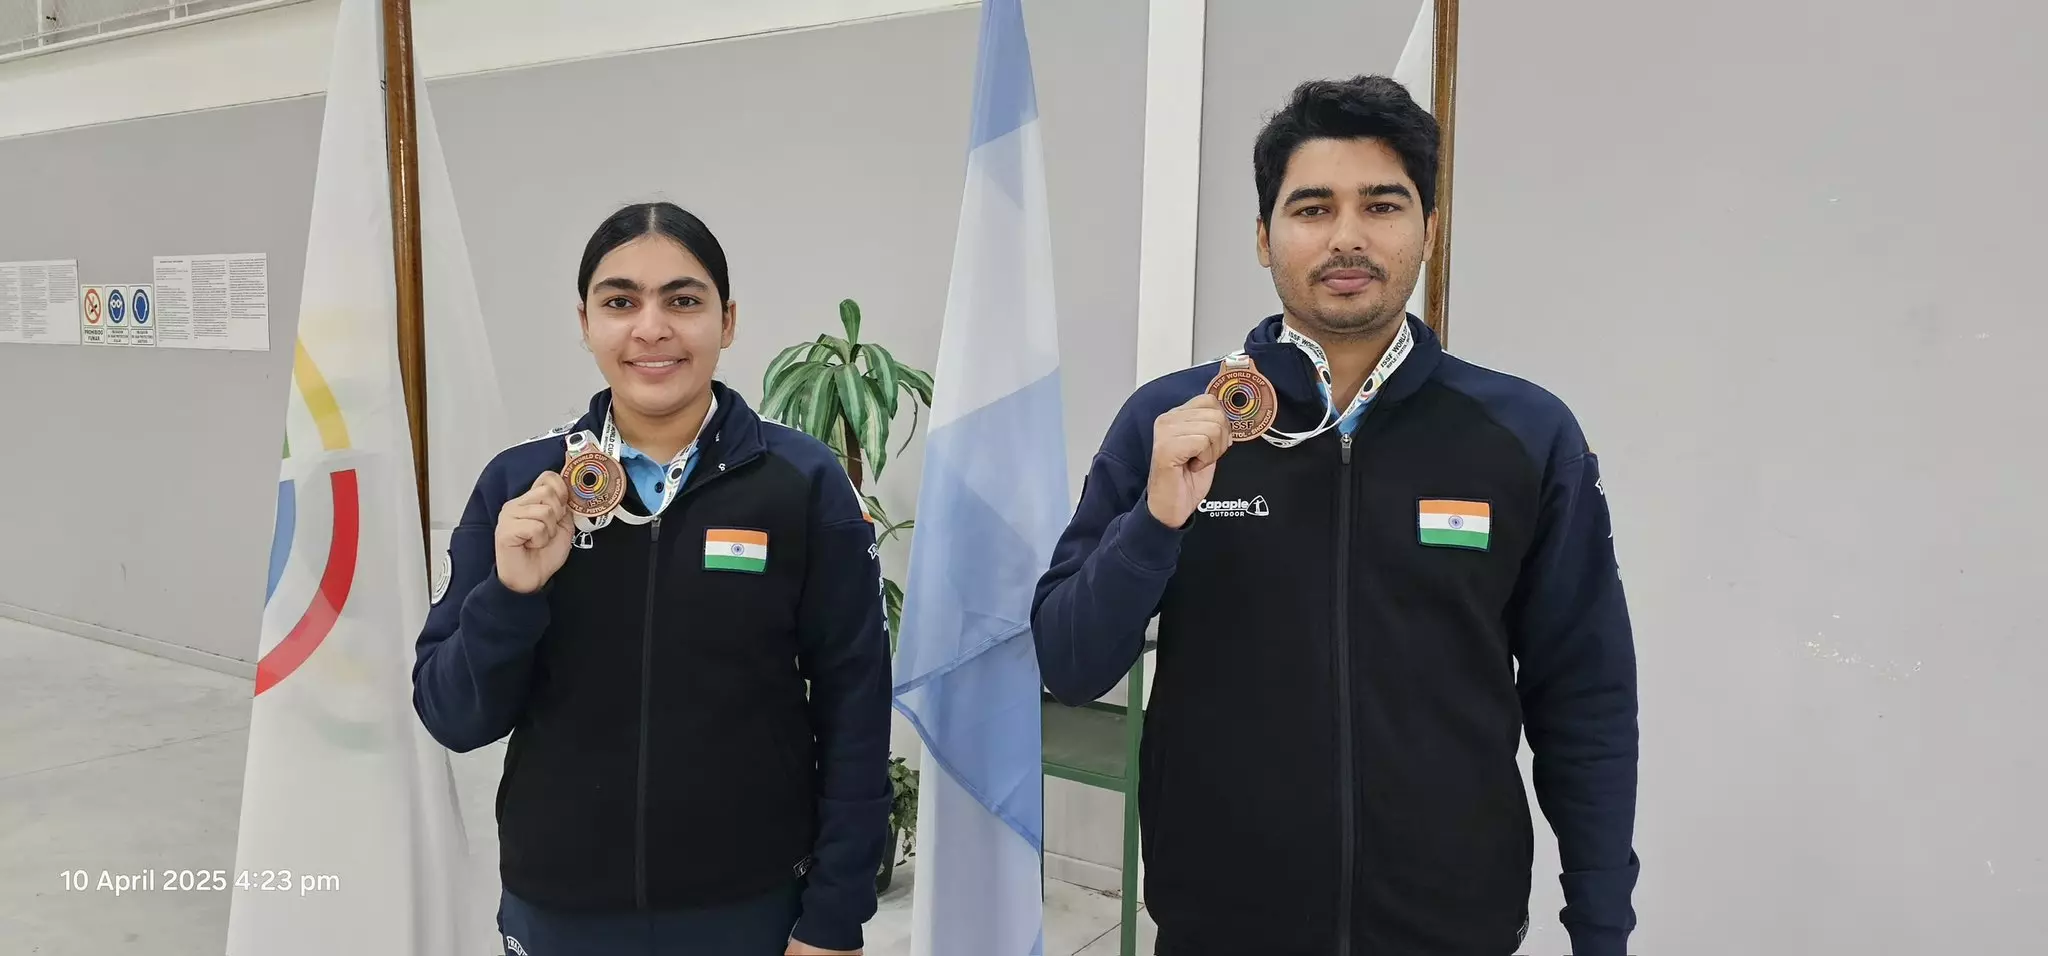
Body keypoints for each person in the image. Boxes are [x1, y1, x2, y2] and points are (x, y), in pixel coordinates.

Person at [1032, 76, 1640, 956]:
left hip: (1452, 927)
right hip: (1221, 926)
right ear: (1263, 236)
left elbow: (1584, 698)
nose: (1347, 236)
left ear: (1428, 229)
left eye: (1382, 205)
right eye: (1312, 207)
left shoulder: (1524, 433)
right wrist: (1155, 523)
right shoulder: (1174, 422)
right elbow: (1071, 661)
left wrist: (1602, 929)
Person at [412, 202, 893, 956]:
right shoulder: (522, 486)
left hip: (752, 903)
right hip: (562, 903)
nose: (651, 328)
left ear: (726, 321)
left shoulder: (801, 484)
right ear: (585, 322)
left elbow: (856, 704)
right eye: (619, 301)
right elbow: (454, 717)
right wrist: (513, 594)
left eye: (683, 299)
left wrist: (836, 914)